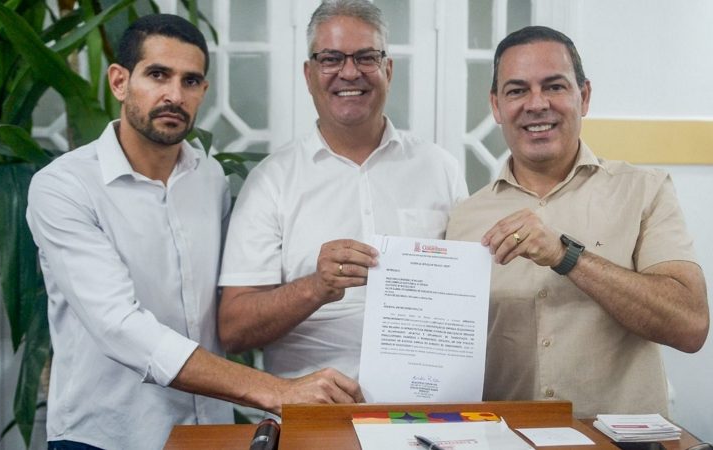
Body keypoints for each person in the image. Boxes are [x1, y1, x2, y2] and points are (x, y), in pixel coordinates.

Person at [26, 14, 362, 450]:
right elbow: (119, 326)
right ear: (119, 82)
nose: (174, 95)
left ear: (203, 91)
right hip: (106, 437)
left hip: (206, 433)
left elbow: (227, 308)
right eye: (157, 75)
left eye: (190, 81)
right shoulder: (64, 187)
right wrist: (276, 390)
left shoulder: (209, 178)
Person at [446, 25, 709, 418]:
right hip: (505, 437)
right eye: (517, 90)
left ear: (583, 96)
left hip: (620, 442)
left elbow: (690, 325)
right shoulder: (464, 218)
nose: (537, 104)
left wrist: (567, 256)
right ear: (496, 106)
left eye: (554, 86)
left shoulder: (645, 191)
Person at [217, 0, 468, 382]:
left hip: (422, 401)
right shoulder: (271, 181)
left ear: (388, 69)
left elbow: (469, 297)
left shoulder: (440, 168)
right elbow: (233, 330)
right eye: (331, 59)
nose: (349, 73)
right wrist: (316, 287)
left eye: (366, 57)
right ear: (309, 74)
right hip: (311, 403)